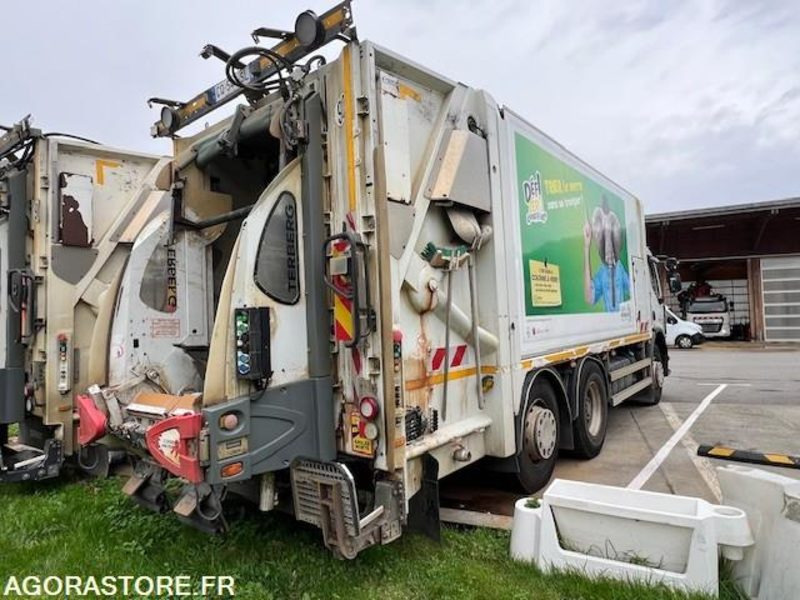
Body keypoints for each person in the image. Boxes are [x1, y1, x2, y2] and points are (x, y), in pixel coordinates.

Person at [583, 195, 630, 312]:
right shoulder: (602, 273)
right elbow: (589, 297)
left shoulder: (620, 269)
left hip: (623, 319)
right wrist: (586, 247)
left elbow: (634, 289)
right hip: (610, 320)